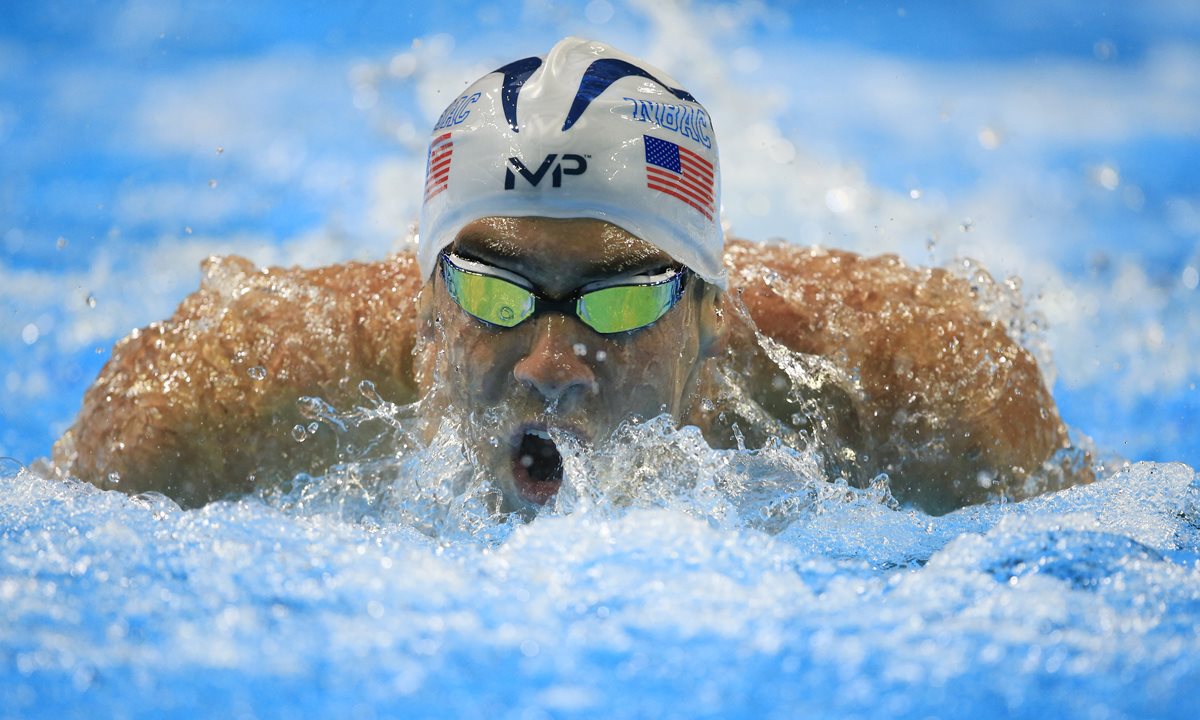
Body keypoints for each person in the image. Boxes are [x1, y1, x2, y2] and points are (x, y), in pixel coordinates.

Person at [51, 38, 1089, 515]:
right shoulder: (217, 395)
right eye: (498, 295)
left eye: (624, 300)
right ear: (424, 308)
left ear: (711, 320)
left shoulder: (925, 392)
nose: (554, 365)